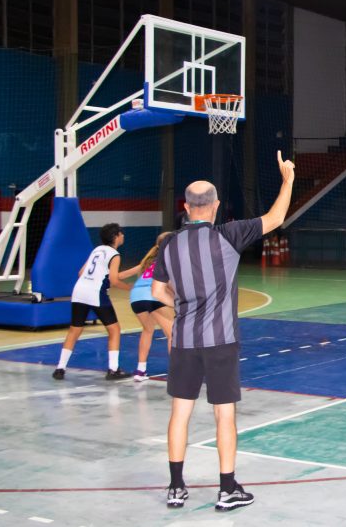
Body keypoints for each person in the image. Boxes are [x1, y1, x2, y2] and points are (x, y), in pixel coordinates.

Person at [152, 151, 294, 511]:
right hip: (221, 340)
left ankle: (175, 488)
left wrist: (181, 306)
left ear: (185, 206)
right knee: (224, 415)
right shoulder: (229, 235)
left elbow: (157, 293)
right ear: (215, 207)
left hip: (183, 340)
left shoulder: (167, 244)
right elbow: (276, 217)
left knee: (179, 412)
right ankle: (227, 489)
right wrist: (288, 178)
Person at [52, 223, 140, 381]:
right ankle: (113, 370)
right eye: (121, 233)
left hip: (79, 291)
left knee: (74, 330)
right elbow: (113, 280)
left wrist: (136, 269)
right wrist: (130, 288)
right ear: (116, 236)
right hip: (96, 292)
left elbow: (81, 273)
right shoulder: (114, 254)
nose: (123, 235)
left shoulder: (97, 250)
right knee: (114, 330)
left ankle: (60, 368)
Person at [129, 232, 175, 382]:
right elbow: (167, 285)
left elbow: (121, 275)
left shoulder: (148, 261)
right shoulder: (171, 260)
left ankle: (140, 371)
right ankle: (178, 373)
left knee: (148, 330)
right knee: (173, 334)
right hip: (152, 296)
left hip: (136, 297)